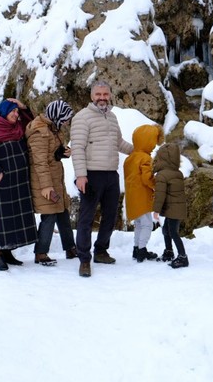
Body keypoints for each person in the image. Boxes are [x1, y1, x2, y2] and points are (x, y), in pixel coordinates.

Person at [71, 80, 134, 277]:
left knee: (110, 216)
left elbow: (119, 143)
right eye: (98, 94)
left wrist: (138, 150)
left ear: (110, 95)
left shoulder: (112, 117)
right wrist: (81, 175)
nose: (102, 98)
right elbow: (77, 148)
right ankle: (84, 259)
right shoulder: (82, 117)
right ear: (92, 96)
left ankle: (100, 251)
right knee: (86, 218)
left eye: (105, 94)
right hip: (91, 174)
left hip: (111, 175)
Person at [0, 98, 38, 271]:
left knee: (13, 216)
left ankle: (8, 251)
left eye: (17, 112)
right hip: (0, 182)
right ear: (3, 112)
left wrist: (23, 106)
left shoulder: (17, 127)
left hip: (17, 182)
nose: (16, 114)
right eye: (13, 111)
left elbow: (31, 123)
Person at [25, 99, 78, 265]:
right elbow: (39, 162)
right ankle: (41, 252)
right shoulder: (40, 132)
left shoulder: (52, 128)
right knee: (49, 215)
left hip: (55, 179)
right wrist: (46, 186)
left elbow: (50, 152)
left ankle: (70, 248)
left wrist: (62, 153)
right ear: (58, 116)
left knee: (62, 211)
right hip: (44, 181)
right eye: (66, 118)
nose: (67, 122)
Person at [123, 124, 163, 262]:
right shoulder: (145, 158)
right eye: (152, 142)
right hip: (142, 196)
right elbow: (147, 178)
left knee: (139, 224)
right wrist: (156, 185)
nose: (153, 146)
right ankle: (142, 250)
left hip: (131, 197)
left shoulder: (130, 158)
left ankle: (136, 248)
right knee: (147, 224)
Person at [152, 142, 189, 268]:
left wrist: (156, 210)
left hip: (173, 209)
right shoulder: (177, 173)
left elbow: (160, 194)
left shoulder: (162, 175)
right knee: (166, 230)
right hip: (176, 208)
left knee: (173, 232)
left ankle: (183, 257)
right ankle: (169, 252)